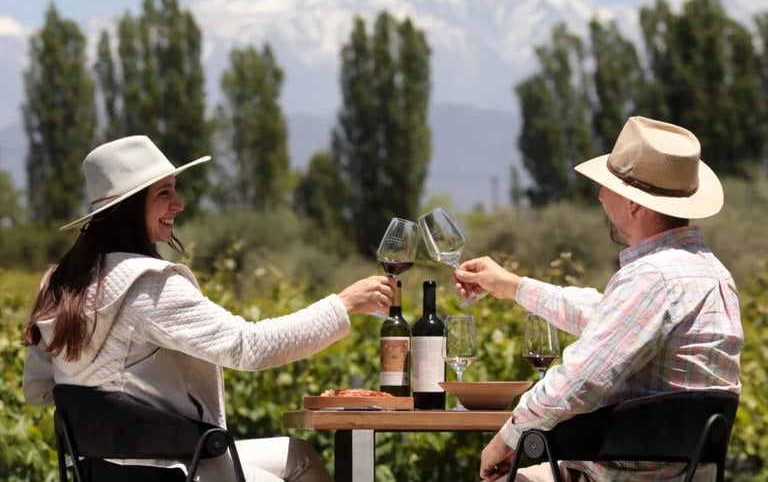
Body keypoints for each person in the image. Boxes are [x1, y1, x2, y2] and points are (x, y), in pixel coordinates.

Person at [22, 135, 396, 482]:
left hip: (101, 473)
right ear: (131, 208)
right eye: (164, 193)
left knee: (298, 454)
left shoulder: (59, 284)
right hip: (172, 471)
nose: (179, 204)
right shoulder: (148, 284)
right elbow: (249, 347)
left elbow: (39, 390)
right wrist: (343, 305)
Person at [455, 116, 743, 482]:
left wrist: (507, 438)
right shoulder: (714, 276)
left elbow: (576, 383)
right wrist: (510, 285)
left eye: (609, 187)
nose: (600, 196)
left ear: (634, 204)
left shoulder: (652, 278)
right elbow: (606, 317)